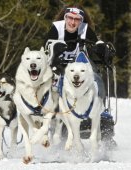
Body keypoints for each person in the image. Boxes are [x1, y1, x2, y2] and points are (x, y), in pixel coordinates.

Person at [44, 5, 116, 148]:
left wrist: (102, 50)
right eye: (70, 18)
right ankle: (55, 125)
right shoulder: (56, 29)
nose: (72, 22)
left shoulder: (85, 29)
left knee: (95, 78)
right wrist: (55, 51)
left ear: (81, 20)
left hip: (79, 68)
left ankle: (99, 109)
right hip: (57, 68)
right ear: (64, 18)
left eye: (77, 19)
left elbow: (96, 43)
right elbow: (46, 49)